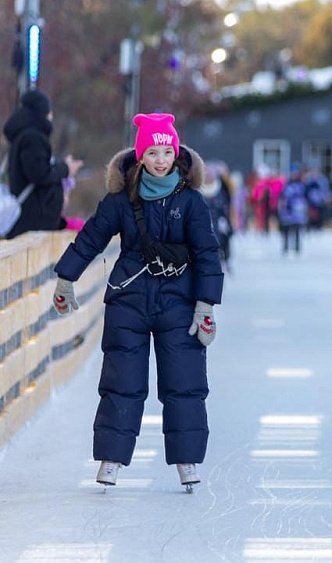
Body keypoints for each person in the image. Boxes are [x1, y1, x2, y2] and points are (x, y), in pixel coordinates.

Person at [51, 113, 223, 492]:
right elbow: (91, 238)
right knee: (121, 381)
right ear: (140, 155)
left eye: (167, 152)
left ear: (176, 155)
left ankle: (186, 459)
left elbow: (208, 252)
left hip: (179, 300)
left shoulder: (192, 202)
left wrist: (206, 303)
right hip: (128, 299)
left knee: (184, 382)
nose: (161, 159)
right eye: (153, 152)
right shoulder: (120, 201)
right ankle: (111, 459)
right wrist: (67, 278)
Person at [2, 90, 83, 239]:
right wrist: (66, 169)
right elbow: (39, 174)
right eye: (49, 111)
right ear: (43, 112)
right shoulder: (33, 137)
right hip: (32, 221)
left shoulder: (22, 135)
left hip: (28, 219)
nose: (51, 116)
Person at [198, 160, 234, 271]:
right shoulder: (198, 189)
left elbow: (225, 205)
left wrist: (225, 220)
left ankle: (224, 261)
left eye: (210, 175)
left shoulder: (220, 188)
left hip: (218, 222)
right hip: (203, 224)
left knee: (222, 242)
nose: (208, 177)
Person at [278, 164, 309, 255]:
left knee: (297, 229)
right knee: (286, 229)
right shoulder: (286, 184)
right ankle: (285, 247)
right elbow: (282, 197)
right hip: (288, 210)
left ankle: (297, 248)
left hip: (298, 210)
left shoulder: (301, 184)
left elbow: (305, 197)